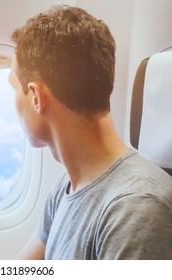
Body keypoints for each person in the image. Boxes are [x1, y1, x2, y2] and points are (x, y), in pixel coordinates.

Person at [9, 5, 172, 260]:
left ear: (36, 97)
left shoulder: (136, 208)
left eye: (14, 89)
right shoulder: (67, 186)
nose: (13, 102)